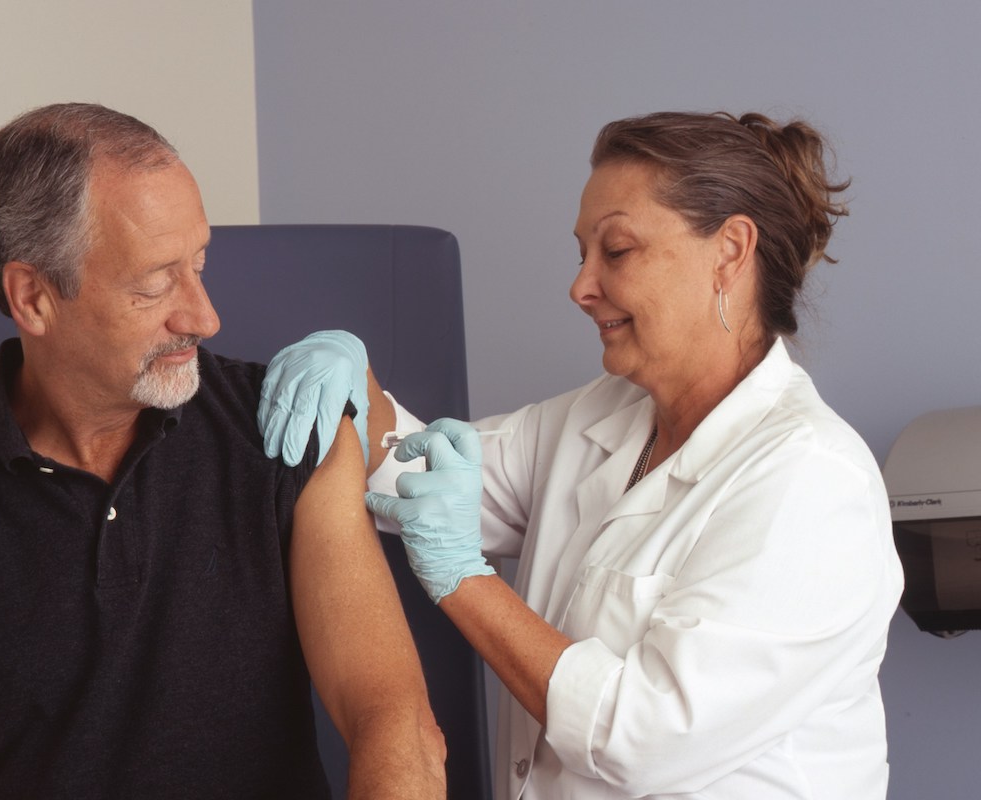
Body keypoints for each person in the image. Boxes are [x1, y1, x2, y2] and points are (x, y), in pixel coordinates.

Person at [258, 111, 905, 799]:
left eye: (616, 250)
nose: (580, 287)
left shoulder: (811, 481)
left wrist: (463, 579)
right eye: (581, 253)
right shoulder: (599, 417)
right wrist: (356, 384)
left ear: (730, 251)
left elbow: (643, 737)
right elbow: (420, 474)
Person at [0, 103, 445, 799]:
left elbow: (395, 721)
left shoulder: (287, 430)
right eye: (155, 282)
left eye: (200, 263)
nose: (204, 316)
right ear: (32, 298)